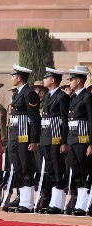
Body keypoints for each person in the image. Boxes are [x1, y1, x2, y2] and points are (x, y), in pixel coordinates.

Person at [7, 65, 41, 213]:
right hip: (15, 135)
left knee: (26, 166)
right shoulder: (17, 94)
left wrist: (34, 140)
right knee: (18, 167)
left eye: (13, 76)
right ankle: (23, 200)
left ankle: (28, 203)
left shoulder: (29, 93)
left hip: (24, 135)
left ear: (19, 77)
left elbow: (34, 118)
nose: (12, 78)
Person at [40, 68, 70, 214]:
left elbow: (65, 121)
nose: (44, 80)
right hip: (46, 138)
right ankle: (53, 201)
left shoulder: (62, 97)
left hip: (56, 138)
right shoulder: (47, 97)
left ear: (52, 80)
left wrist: (64, 141)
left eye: (46, 78)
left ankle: (59, 203)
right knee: (50, 170)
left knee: (58, 170)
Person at [65, 66, 92, 216]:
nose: (69, 82)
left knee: (83, 171)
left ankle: (83, 204)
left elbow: (90, 121)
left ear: (79, 81)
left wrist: (90, 143)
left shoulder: (87, 97)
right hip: (72, 140)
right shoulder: (73, 97)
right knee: (75, 171)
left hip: (82, 140)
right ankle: (80, 203)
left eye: (71, 79)